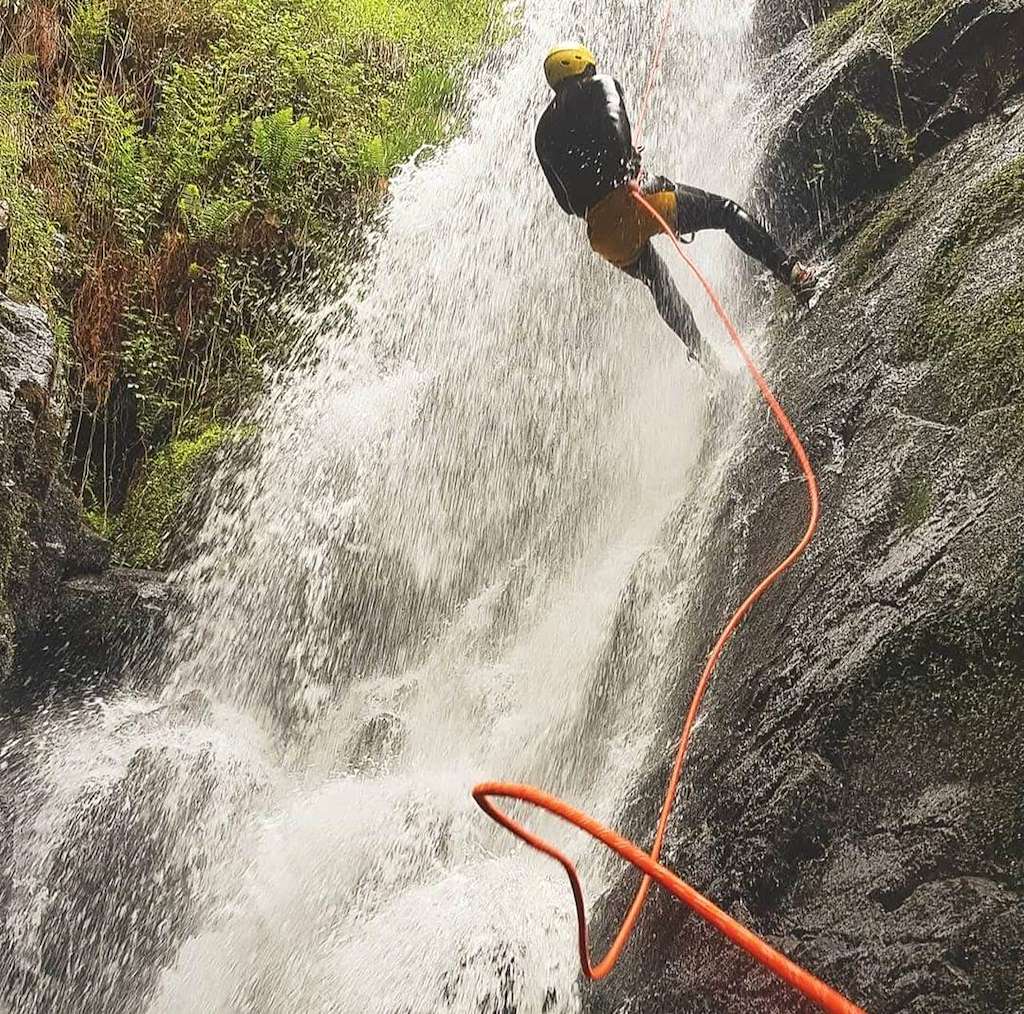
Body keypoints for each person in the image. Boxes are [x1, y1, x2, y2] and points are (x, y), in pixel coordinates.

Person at [534, 44, 817, 362]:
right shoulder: (600, 84)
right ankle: (793, 274)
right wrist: (627, 165)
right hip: (635, 197)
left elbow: (567, 204)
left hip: (602, 233)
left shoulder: (542, 132)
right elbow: (615, 129)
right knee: (724, 212)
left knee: (658, 283)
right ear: (582, 65)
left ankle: (706, 359)